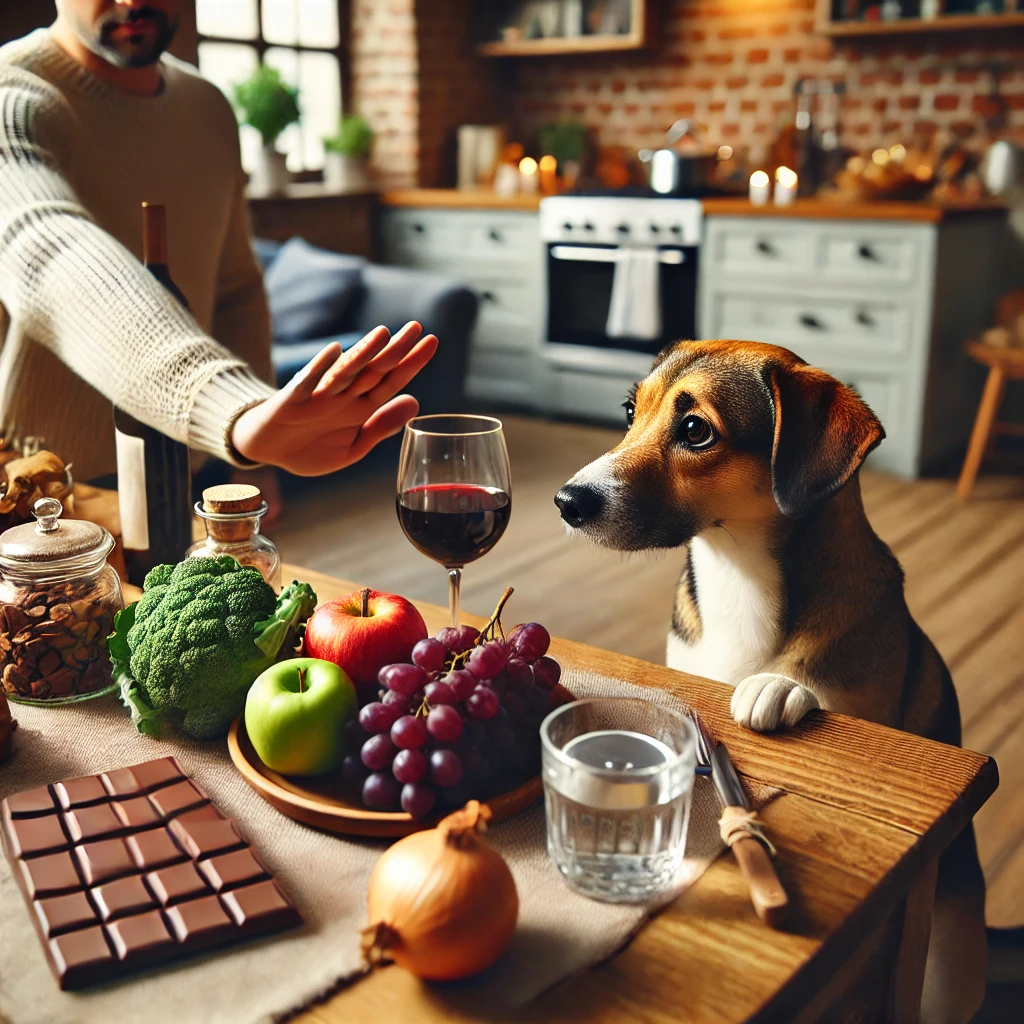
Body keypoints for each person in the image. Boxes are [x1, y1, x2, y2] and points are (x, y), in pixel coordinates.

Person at [0, 0, 438, 485]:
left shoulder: (206, 106)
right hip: (38, 481)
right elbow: (46, 244)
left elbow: (236, 288)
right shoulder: (11, 92)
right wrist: (232, 408)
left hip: (191, 459)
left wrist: (254, 450)